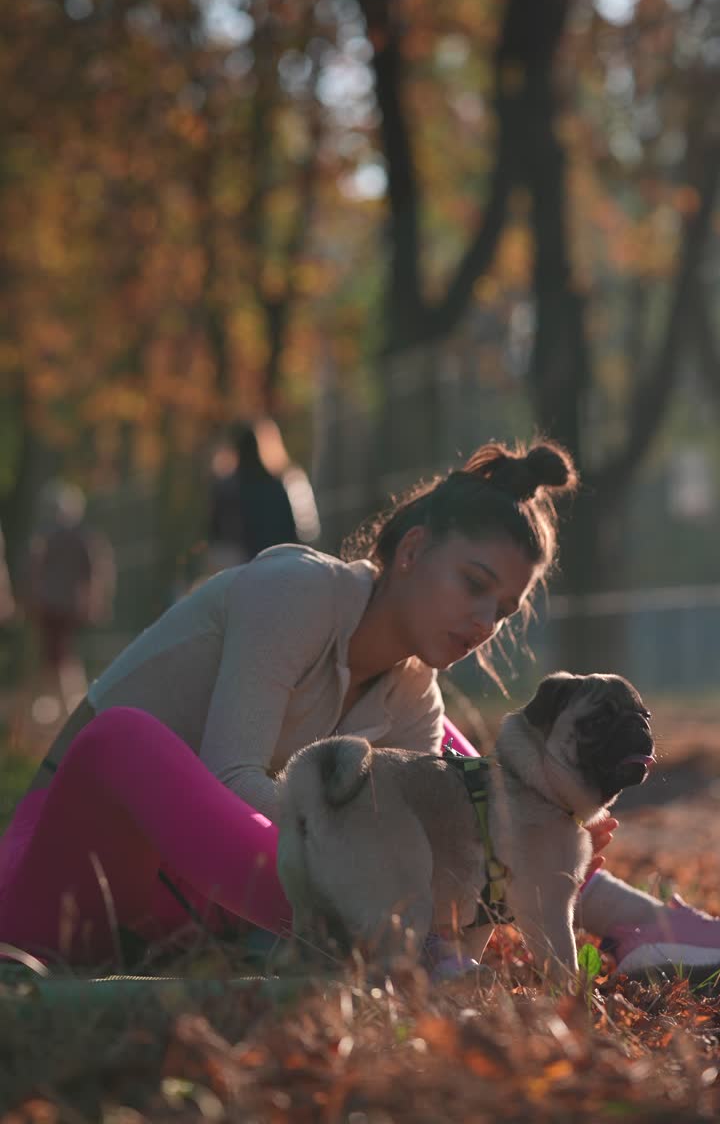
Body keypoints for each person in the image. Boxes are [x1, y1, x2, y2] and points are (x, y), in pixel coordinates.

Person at [0, 438, 718, 978]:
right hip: (58, 884)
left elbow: (453, 843)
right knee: (127, 739)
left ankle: (629, 919)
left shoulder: (414, 696)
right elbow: (227, 779)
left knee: (454, 774)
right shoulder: (298, 592)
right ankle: (395, 942)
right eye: (473, 584)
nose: (483, 622)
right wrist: (375, 862)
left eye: (504, 609)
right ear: (410, 551)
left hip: (190, 918)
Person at [22, 481, 116, 709]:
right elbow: (97, 571)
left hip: (57, 605)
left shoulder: (59, 537)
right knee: (56, 654)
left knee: (59, 655)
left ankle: (67, 702)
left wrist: (94, 600)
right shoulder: (81, 537)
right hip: (60, 605)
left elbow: (93, 572)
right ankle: (58, 702)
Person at [206, 419, 319, 576]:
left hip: (244, 573)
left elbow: (218, 542)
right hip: (284, 570)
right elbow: (306, 532)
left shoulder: (228, 489)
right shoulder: (289, 483)